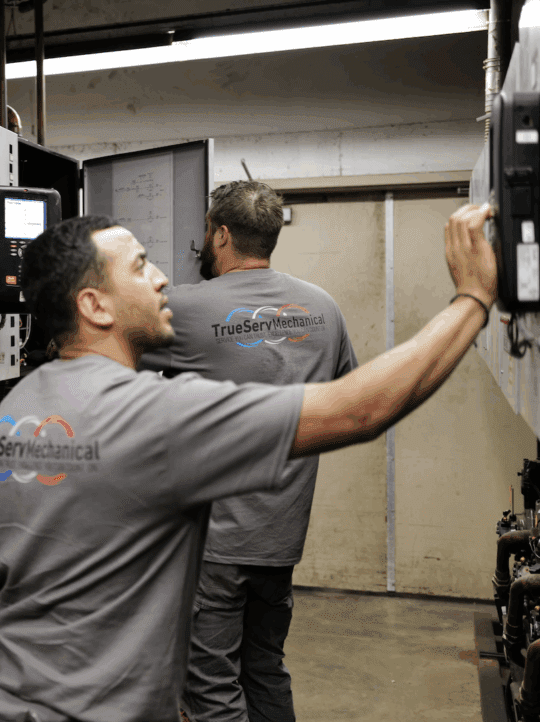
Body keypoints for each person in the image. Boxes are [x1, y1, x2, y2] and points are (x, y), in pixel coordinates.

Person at [0, 205, 496, 722]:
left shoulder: (13, 414)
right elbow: (360, 409)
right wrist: (472, 298)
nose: (160, 279)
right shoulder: (153, 415)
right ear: (95, 307)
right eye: (140, 267)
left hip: (0, 693)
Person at [140, 180, 356, 722]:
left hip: (214, 542)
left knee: (210, 686)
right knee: (264, 667)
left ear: (221, 234)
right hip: (282, 538)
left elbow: (102, 361)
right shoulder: (323, 308)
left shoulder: (184, 307)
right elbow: (344, 396)